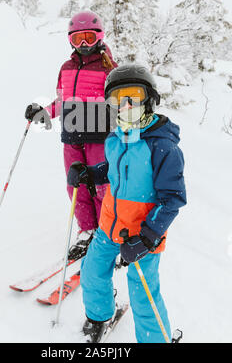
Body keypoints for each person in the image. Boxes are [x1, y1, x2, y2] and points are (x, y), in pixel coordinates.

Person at [67, 64, 187, 343]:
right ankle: (98, 317)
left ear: (150, 100)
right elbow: (112, 169)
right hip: (109, 225)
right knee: (93, 272)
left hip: (143, 234)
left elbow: (173, 199)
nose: (125, 106)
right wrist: (89, 173)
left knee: (142, 292)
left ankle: (155, 339)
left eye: (132, 97)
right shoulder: (116, 137)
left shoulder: (164, 147)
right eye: (117, 100)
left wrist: (147, 239)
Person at [25, 11, 117, 260]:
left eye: (88, 37)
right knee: (75, 186)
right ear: (70, 41)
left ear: (99, 37)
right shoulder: (66, 68)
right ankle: (87, 230)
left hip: (100, 137)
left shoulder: (110, 69)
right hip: (72, 137)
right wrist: (42, 112)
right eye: (78, 39)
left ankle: (105, 231)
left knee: (101, 186)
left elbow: (122, 104)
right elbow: (62, 100)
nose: (84, 44)